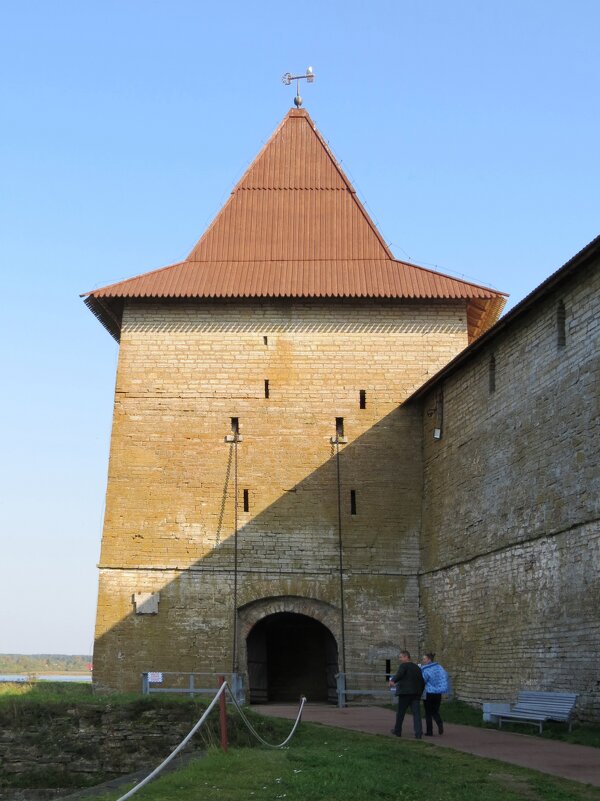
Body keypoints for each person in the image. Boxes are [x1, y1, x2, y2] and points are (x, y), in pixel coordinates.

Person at [389, 650, 425, 738]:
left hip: (405, 693)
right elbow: (422, 681)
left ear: (406, 657)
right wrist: (420, 692)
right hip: (416, 694)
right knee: (416, 714)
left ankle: (397, 731)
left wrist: (393, 680)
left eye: (401, 657)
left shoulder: (404, 665)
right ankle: (418, 733)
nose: (400, 659)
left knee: (400, 713)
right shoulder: (417, 667)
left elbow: (400, 674)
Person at [420, 652, 449, 736]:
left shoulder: (426, 669)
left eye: (424, 659)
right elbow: (445, 676)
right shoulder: (440, 667)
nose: (423, 660)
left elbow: (423, 680)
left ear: (429, 659)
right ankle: (439, 723)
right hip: (438, 692)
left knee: (428, 712)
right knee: (435, 710)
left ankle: (429, 731)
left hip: (429, 692)